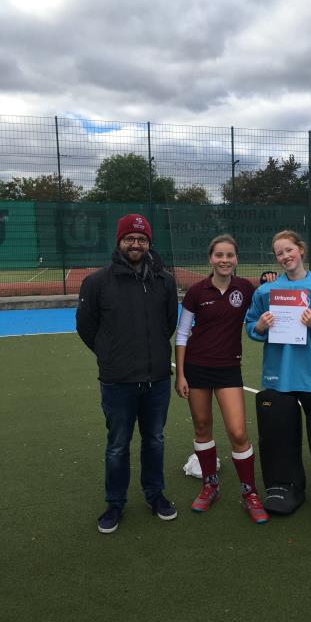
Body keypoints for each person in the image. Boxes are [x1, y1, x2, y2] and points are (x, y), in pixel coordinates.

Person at [76, 214, 178, 534]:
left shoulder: (164, 281)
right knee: (118, 445)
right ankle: (115, 502)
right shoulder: (97, 282)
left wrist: (154, 354)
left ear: (149, 243)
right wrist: (110, 355)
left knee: (155, 440)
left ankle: (154, 494)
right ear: (119, 241)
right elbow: (86, 326)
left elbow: (169, 323)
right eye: (130, 238)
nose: (136, 244)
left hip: (157, 379)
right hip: (117, 381)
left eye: (142, 239)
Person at [245, 230, 311, 518]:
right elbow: (251, 325)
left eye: (289, 250)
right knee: (279, 436)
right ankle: (284, 486)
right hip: (278, 376)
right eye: (279, 253)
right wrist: (260, 327)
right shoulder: (266, 292)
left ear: (300, 250)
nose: (285, 256)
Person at [175, 234, 269, 524]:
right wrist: (181, 374)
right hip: (196, 367)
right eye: (219, 255)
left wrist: (269, 281)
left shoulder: (245, 288)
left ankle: (249, 493)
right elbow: (182, 334)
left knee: (238, 433)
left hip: (228, 368)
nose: (224, 260)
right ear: (210, 259)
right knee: (202, 427)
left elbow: (266, 301)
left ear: (236, 259)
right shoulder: (196, 292)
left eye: (230, 255)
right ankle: (210, 486)